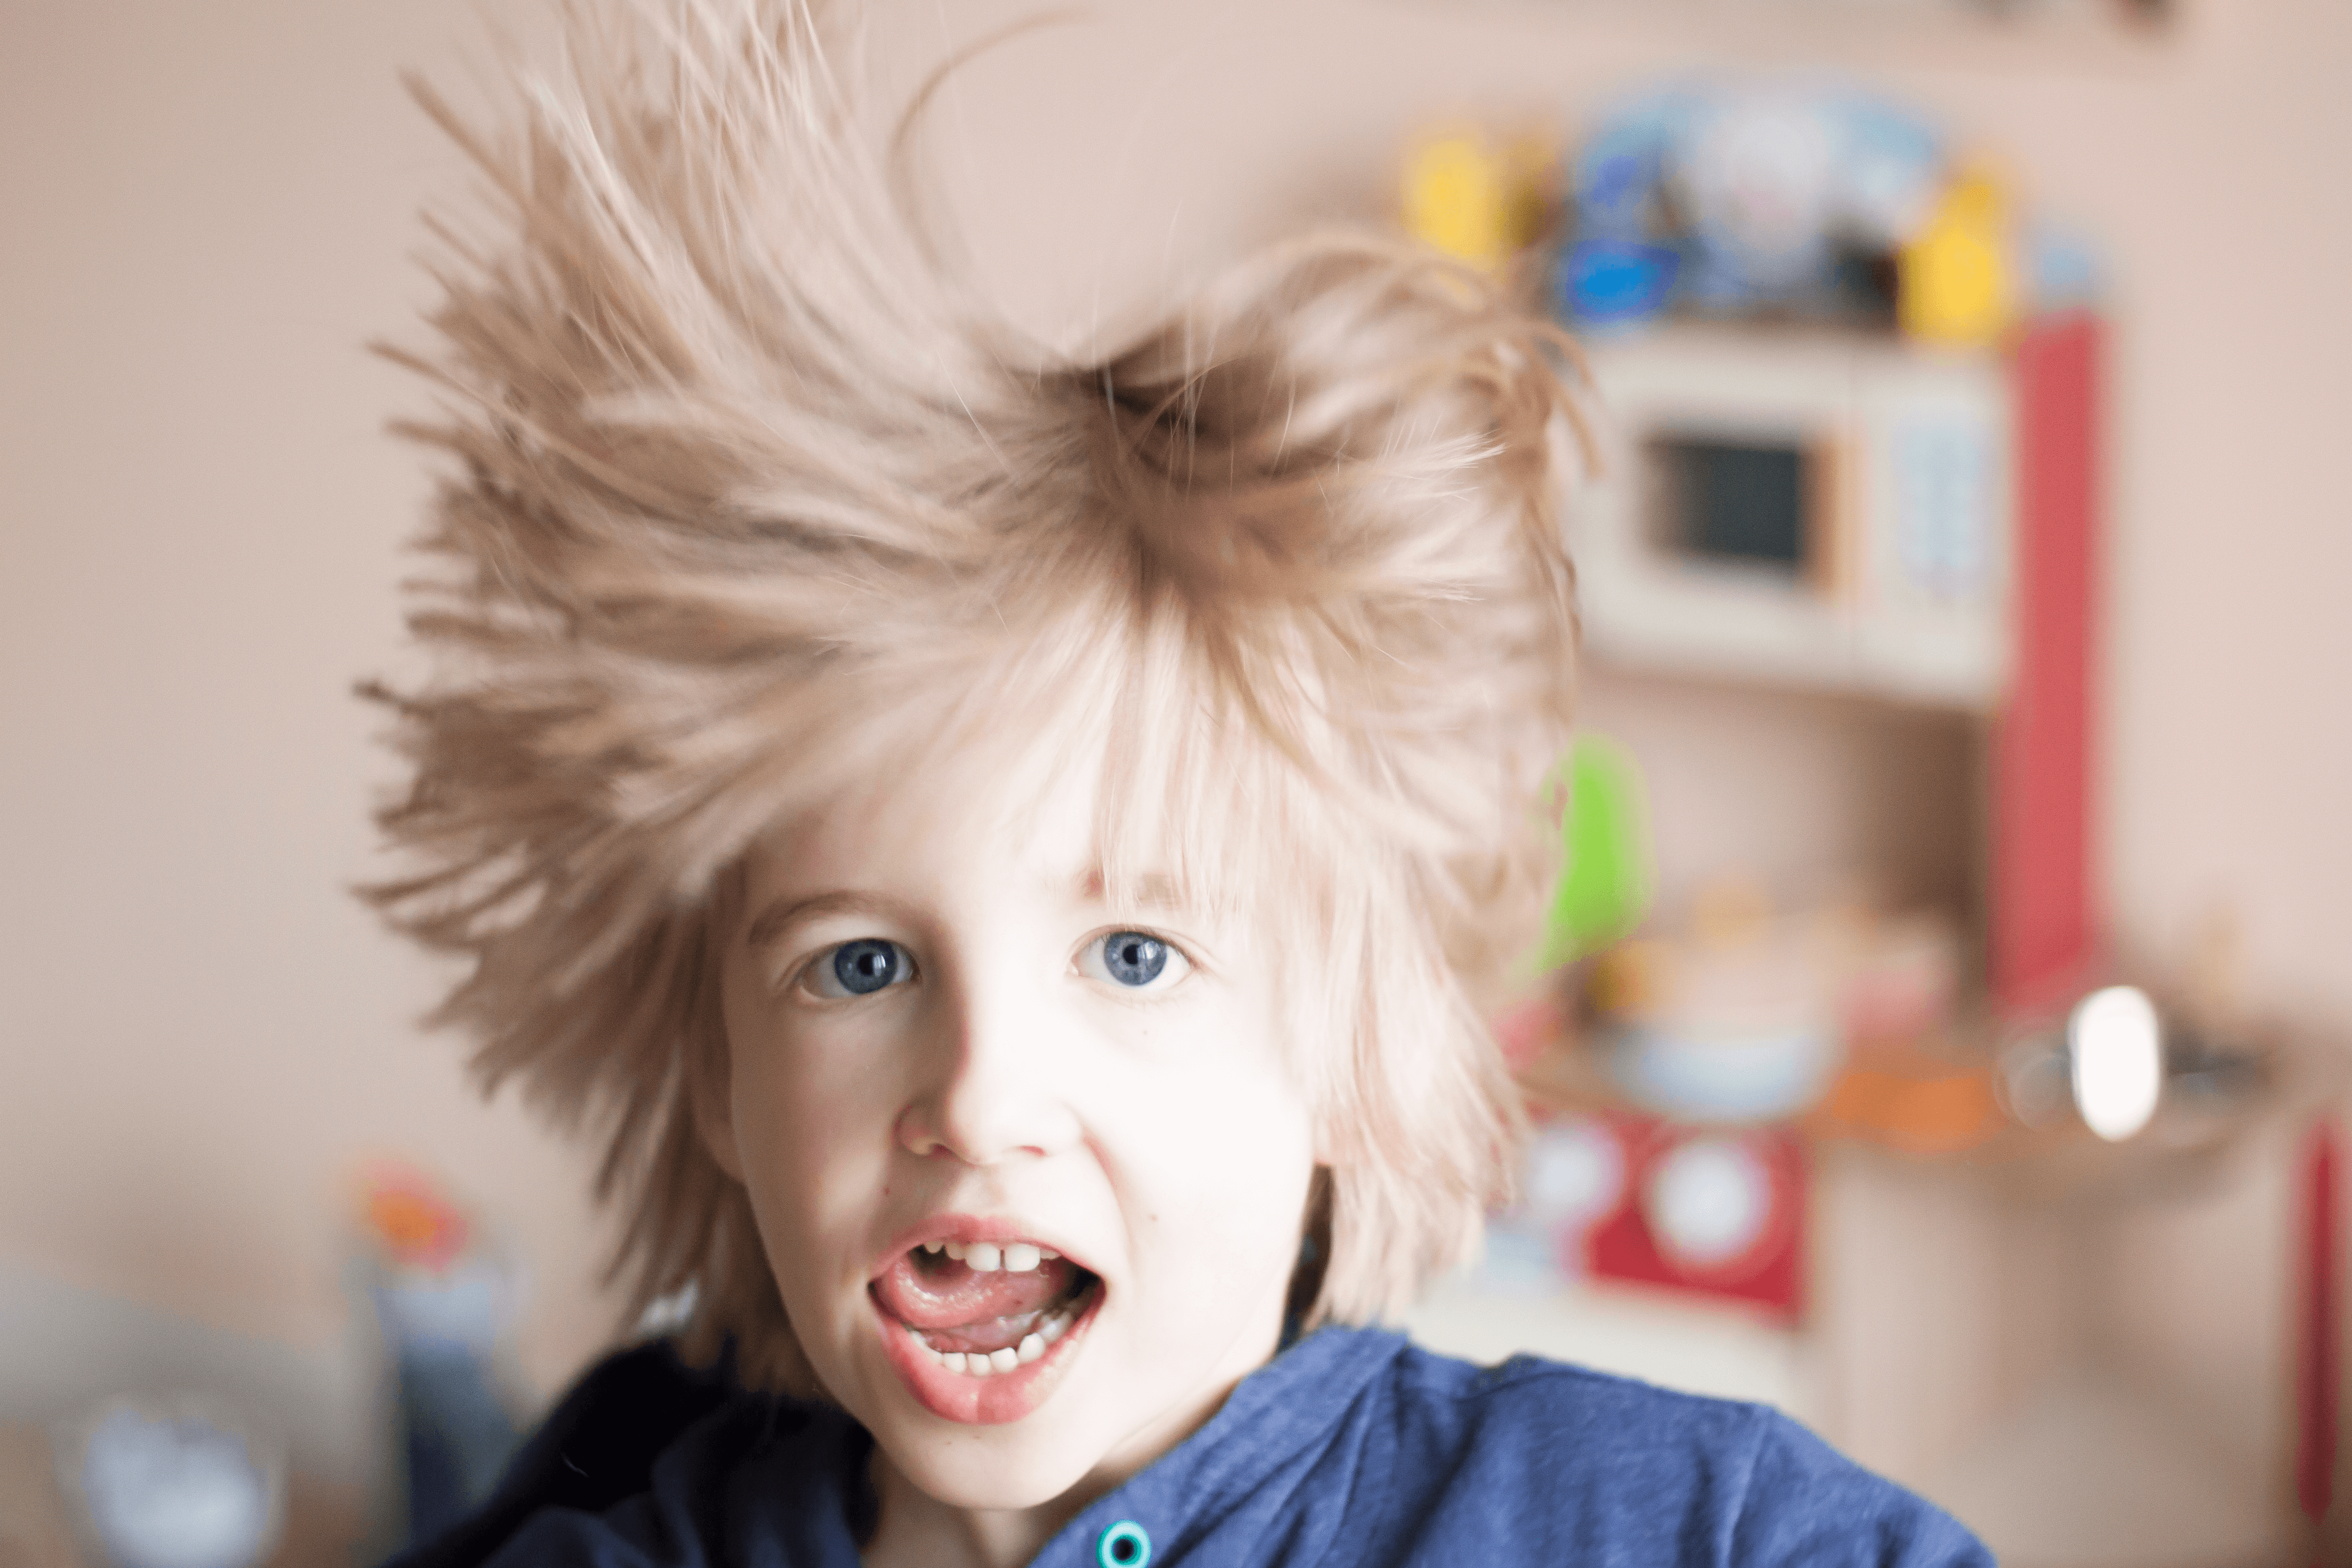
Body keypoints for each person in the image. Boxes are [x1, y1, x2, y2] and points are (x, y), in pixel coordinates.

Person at [366, 4, 1991, 1565]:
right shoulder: (616, 1511)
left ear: (1358, 1062)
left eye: (1134, 955)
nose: (981, 1098)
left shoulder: (1648, 1522)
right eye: (860, 963)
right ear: (716, 1076)